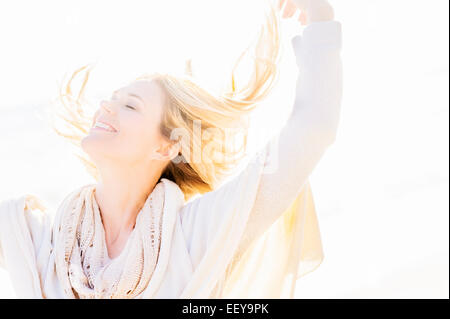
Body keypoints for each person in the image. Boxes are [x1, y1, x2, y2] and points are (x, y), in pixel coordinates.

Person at [0, 0, 342, 298]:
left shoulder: (198, 233)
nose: (105, 107)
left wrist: (320, 19)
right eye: (111, 98)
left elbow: (312, 129)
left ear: (168, 146)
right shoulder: (39, 239)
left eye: (130, 106)